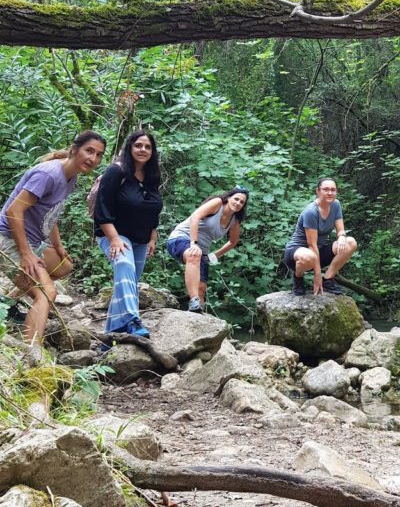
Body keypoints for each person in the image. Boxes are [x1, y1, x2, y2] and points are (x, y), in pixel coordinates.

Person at [0, 129, 106, 349]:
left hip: (33, 242)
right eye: (89, 151)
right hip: (7, 240)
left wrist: (57, 245)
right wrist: (26, 255)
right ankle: (33, 358)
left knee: (63, 265)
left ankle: (6, 304)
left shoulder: (70, 177)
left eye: (98, 155)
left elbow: (52, 213)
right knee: (47, 293)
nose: (92, 158)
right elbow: (13, 212)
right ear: (74, 149)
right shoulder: (48, 174)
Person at [93, 130, 163, 339]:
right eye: (138, 145)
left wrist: (152, 237)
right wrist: (114, 238)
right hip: (114, 234)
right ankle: (133, 320)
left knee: (127, 283)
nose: (143, 150)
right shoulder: (117, 172)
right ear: (130, 147)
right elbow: (101, 207)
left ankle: (109, 338)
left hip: (141, 239)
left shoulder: (152, 177)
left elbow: (153, 209)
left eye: (147, 147)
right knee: (124, 265)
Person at [167, 187, 248, 311]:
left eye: (242, 202)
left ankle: (197, 316)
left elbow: (233, 241)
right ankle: (194, 301)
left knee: (201, 289)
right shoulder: (218, 203)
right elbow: (195, 217)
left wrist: (215, 255)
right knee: (193, 255)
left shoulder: (235, 221)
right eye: (236, 199)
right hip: (181, 238)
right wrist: (193, 244)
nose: (238, 203)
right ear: (228, 198)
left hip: (202, 252)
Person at [284, 177, 357, 296]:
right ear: (318, 191)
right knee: (309, 256)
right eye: (326, 189)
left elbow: (341, 230)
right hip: (298, 253)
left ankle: (328, 279)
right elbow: (312, 245)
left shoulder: (336, 205)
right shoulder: (311, 212)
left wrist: (342, 237)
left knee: (350, 242)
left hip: (319, 251)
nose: (330, 193)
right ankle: (298, 279)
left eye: (333, 190)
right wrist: (317, 275)